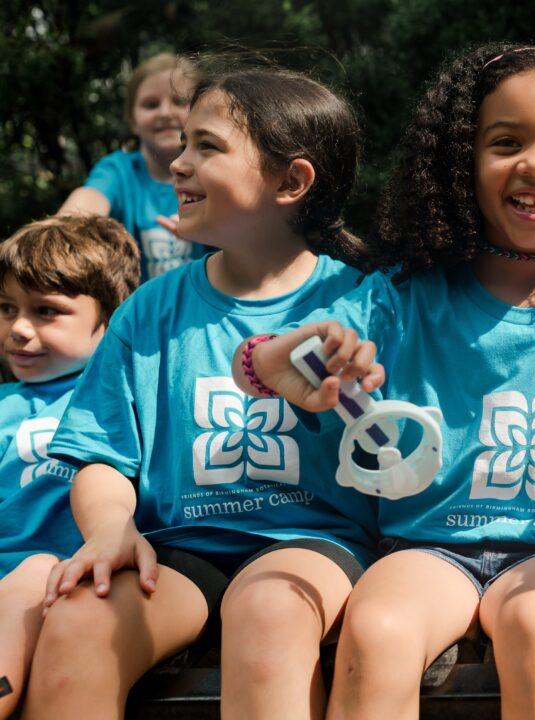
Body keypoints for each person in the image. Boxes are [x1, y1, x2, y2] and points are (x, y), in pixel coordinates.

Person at [237, 42, 535, 720]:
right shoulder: (402, 297)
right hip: (428, 548)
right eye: (506, 141)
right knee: (376, 626)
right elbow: (276, 357)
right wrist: (275, 362)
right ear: (461, 162)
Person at [22, 65, 377, 720]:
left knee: (268, 610)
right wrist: (108, 529)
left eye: (205, 147)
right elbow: (101, 455)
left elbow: (393, 448)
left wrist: (355, 392)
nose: (178, 164)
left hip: (312, 542)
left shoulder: (362, 300)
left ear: (291, 182)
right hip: (178, 550)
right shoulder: (147, 311)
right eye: (181, 144)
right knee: (77, 620)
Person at [0, 215, 139, 718]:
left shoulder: (126, 401)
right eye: (7, 308)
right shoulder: (4, 406)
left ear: (112, 322)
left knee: (36, 570)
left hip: (68, 582)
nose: (18, 328)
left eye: (46, 312)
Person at [58, 53, 210, 281]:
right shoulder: (119, 170)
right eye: (151, 104)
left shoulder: (216, 170)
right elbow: (89, 198)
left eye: (179, 101)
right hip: (136, 312)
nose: (165, 113)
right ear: (132, 120)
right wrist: (60, 230)